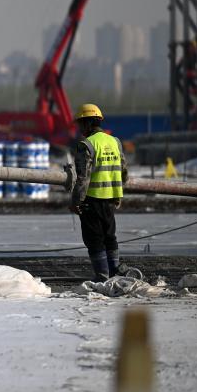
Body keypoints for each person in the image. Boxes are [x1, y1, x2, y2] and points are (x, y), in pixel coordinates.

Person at [70, 103, 129, 281]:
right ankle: (114, 272)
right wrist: (118, 194)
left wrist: (75, 202)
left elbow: (83, 178)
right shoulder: (115, 142)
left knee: (94, 239)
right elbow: (123, 171)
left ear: (87, 123)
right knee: (110, 237)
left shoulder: (86, 145)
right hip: (111, 199)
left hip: (92, 200)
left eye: (80, 123)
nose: (79, 128)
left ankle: (103, 276)